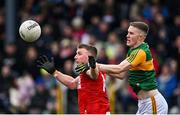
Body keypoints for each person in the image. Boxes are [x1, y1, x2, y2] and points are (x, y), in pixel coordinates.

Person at [76, 22, 168, 114]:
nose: (127, 36)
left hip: (152, 103)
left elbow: (119, 68)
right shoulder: (132, 51)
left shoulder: (141, 51)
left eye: (131, 33)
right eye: (128, 32)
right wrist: (94, 68)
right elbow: (121, 75)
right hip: (143, 103)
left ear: (140, 37)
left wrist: (94, 65)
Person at [36, 44, 110, 114]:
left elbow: (94, 75)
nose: (75, 57)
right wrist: (54, 72)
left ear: (89, 57)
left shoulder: (95, 68)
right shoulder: (84, 74)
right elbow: (72, 83)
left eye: (79, 54)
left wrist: (92, 67)